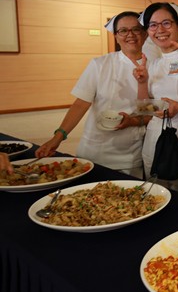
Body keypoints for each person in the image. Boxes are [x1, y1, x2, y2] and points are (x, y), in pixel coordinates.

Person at [36, 11, 150, 178]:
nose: (130, 35)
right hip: (95, 149)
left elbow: (152, 111)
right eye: (123, 30)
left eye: (136, 29)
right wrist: (58, 137)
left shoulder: (155, 66)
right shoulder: (100, 64)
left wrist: (133, 121)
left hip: (133, 153)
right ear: (116, 36)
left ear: (145, 33)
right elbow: (81, 103)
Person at [134, 2, 178, 196]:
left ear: (177, 26)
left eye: (166, 23)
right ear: (148, 31)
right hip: (156, 136)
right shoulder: (152, 64)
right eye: (153, 25)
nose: (160, 30)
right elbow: (144, 108)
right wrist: (142, 82)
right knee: (155, 192)